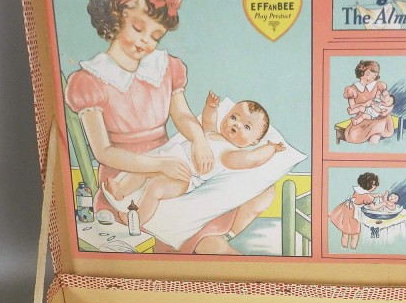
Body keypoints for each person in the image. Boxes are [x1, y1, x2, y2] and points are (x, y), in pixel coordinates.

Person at [65, 0, 273, 254]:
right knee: (203, 241)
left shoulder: (164, 68)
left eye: (155, 36)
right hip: (126, 178)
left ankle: (222, 257)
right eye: (138, 28)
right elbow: (103, 152)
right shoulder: (91, 80)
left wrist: (199, 139)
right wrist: (159, 165)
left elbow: (183, 116)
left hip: (174, 163)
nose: (145, 41)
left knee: (256, 194)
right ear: (116, 18)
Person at [104, 93, 285, 228]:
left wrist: (271, 148)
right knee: (143, 167)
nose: (237, 124)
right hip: (166, 162)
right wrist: (211, 107)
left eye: (246, 126)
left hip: (183, 178)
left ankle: (136, 219)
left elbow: (252, 159)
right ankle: (121, 190)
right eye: (233, 117)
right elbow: (208, 121)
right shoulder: (211, 133)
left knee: (155, 187)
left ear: (253, 142)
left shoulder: (229, 154)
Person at [342, 61, 395, 145]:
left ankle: (373, 146)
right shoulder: (352, 89)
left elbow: (389, 101)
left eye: (374, 76)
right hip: (363, 118)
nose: (370, 78)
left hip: (380, 117)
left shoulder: (379, 85)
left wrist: (384, 110)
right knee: (353, 135)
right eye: (368, 74)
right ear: (361, 72)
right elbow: (352, 107)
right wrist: (365, 104)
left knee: (377, 131)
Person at [329, 172, 380, 250]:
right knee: (355, 234)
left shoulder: (358, 190)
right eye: (373, 185)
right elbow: (374, 207)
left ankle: (343, 248)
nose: (375, 186)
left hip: (347, 210)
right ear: (368, 185)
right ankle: (353, 249)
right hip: (354, 214)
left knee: (345, 232)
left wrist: (377, 195)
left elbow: (364, 196)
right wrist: (383, 203)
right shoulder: (367, 196)